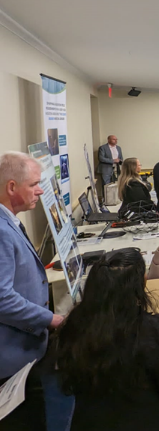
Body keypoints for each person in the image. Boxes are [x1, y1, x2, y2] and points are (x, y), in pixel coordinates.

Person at [54, 248, 159, 431]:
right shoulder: (155, 330)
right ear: (140, 284)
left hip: (90, 422)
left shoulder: (72, 327)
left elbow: (68, 382)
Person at [0, 152, 63, 431]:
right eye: (34, 184)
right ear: (12, 187)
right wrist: (52, 319)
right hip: (11, 360)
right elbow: (2, 298)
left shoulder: (10, 220)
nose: (41, 190)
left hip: (24, 351)